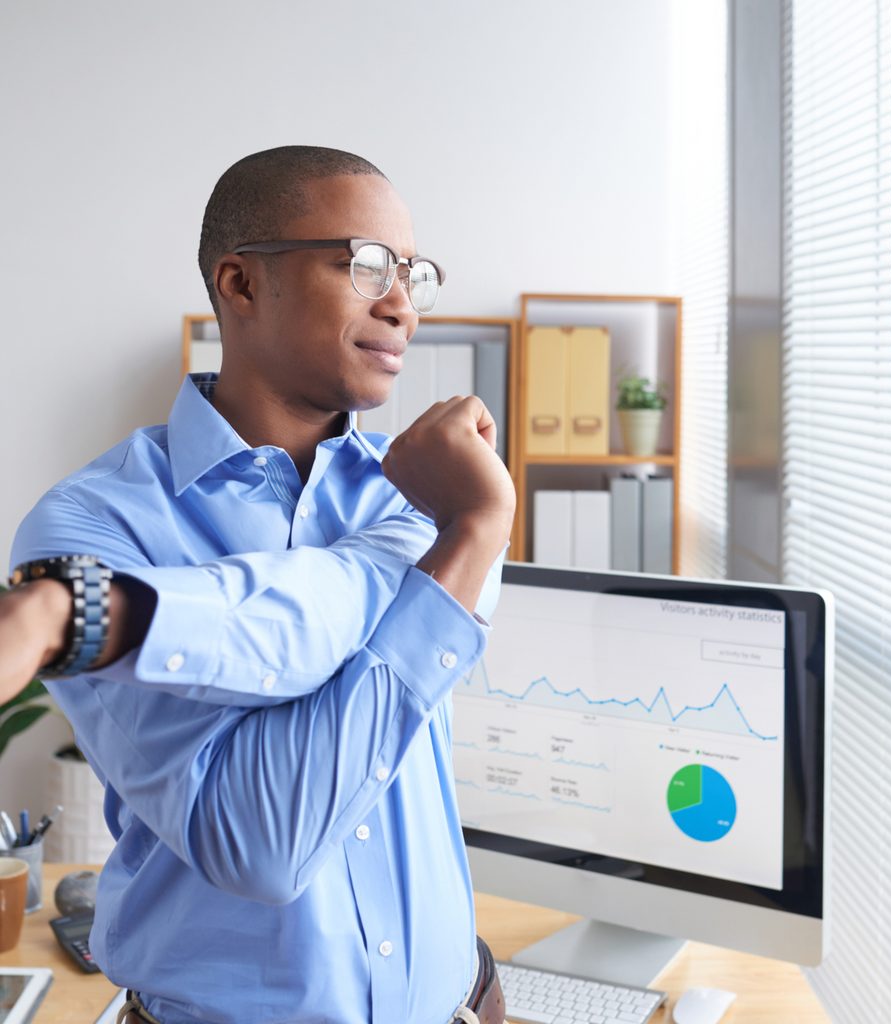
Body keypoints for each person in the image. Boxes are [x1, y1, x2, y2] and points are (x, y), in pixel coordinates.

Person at [0, 146, 516, 1024]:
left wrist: (92, 610)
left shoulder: (438, 495)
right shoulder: (90, 528)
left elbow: (328, 600)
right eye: (362, 265)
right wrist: (466, 542)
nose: (401, 306)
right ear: (240, 284)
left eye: (412, 275)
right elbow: (260, 843)